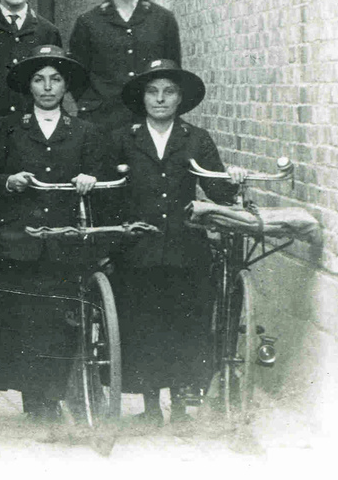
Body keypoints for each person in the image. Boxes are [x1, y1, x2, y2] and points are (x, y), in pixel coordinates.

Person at [109, 59, 246, 425]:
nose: (160, 99)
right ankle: (151, 407)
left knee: (185, 325)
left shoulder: (196, 139)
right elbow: (109, 194)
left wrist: (232, 178)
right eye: (153, 91)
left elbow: (216, 188)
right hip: (139, 249)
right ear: (143, 97)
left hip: (186, 250)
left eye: (168, 92)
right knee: (143, 325)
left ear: (180, 99)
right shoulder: (124, 138)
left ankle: (183, 406)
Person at [0, 45, 102, 422]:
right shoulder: (10, 129)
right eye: (39, 79)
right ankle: (35, 402)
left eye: (55, 79)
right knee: (24, 322)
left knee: (57, 324)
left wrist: (88, 178)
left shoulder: (84, 132)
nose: (47, 87)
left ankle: (55, 398)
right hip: (20, 241)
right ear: (29, 86)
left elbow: (101, 174)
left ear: (66, 87)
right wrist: (8, 181)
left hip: (63, 244)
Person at [68, 0, 181, 133]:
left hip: (150, 123)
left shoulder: (162, 19)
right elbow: (77, 78)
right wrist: (95, 106)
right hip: (102, 123)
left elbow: (172, 71)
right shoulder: (88, 22)